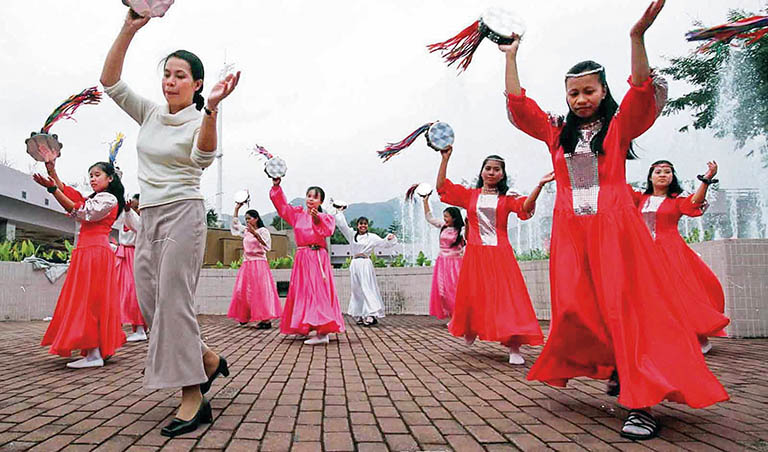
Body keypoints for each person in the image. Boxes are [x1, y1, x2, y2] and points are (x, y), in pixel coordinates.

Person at [503, 0, 728, 439]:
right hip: (571, 234)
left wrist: (636, 36)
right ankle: (618, 367)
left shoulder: (619, 126)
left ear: (604, 91)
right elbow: (519, 105)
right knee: (577, 310)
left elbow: (642, 91)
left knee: (626, 311)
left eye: (589, 91)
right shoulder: (556, 132)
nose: (581, 99)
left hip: (616, 232)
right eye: (574, 93)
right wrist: (511, 57)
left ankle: (641, 403)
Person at [101, 10, 240, 437]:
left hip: (183, 213)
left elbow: (202, 157)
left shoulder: (201, 118)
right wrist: (129, 28)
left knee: (174, 303)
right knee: (150, 304)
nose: (170, 82)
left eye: (180, 76)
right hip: (150, 217)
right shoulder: (149, 113)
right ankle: (208, 359)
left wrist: (212, 109)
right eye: (166, 74)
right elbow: (109, 82)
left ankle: (193, 395)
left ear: (197, 84)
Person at [436, 147, 549, 364]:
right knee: (473, 295)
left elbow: (525, 207)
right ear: (481, 172)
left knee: (508, 298)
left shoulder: (507, 198)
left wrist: (539, 186)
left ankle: (514, 346)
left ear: (502, 174)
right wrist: (445, 159)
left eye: (496, 169)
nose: (491, 172)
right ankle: (470, 328)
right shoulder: (470, 195)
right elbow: (442, 188)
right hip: (475, 254)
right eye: (488, 168)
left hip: (500, 253)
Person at [629, 160, 729, 353]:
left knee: (678, 292)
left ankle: (696, 336)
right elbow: (617, 189)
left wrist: (706, 180)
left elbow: (694, 203)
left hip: (671, 250)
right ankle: (657, 337)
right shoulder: (640, 198)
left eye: (667, 172)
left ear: (672, 177)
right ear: (650, 177)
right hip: (644, 251)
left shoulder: (676, 200)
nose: (662, 175)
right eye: (658, 172)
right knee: (647, 294)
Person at [35, 160, 126, 368]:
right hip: (89, 251)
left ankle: (94, 354)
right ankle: (96, 350)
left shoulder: (108, 199)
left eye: (97, 175)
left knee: (89, 300)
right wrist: (51, 170)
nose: (92, 179)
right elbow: (71, 195)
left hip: (94, 252)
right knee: (90, 299)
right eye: (91, 175)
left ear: (110, 178)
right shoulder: (98, 198)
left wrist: (53, 190)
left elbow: (82, 210)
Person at [270, 177, 345, 344]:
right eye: (309, 195)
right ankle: (304, 326)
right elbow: (282, 207)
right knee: (302, 292)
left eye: (315, 197)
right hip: (302, 257)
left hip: (316, 256)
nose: (310, 199)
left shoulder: (325, 217)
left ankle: (323, 332)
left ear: (321, 201)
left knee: (317, 292)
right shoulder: (297, 215)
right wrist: (276, 187)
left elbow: (327, 231)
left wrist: (317, 219)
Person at [334, 209, 398, 326]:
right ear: (357, 225)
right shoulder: (352, 235)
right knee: (356, 289)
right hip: (355, 264)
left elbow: (384, 243)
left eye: (365, 224)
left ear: (367, 225)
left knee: (367, 287)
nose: (363, 226)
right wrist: (339, 212)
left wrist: (389, 238)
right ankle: (358, 314)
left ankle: (370, 314)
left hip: (365, 263)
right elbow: (343, 226)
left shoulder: (372, 237)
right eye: (361, 224)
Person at [228, 201, 282, 329]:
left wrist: (255, 234)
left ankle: (265, 320)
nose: (247, 221)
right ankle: (244, 316)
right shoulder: (246, 231)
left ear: (256, 218)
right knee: (242, 291)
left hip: (259, 263)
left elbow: (267, 246)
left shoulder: (263, 231)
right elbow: (235, 226)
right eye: (246, 219)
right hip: (247, 263)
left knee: (260, 291)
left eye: (249, 218)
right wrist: (237, 208)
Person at [422, 195, 464, 320]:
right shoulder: (443, 226)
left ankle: (459, 316)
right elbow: (429, 218)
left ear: (454, 218)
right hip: (442, 262)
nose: (444, 219)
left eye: (446, 216)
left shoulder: (462, 230)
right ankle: (452, 315)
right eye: (444, 216)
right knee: (443, 291)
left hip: (455, 263)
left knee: (455, 289)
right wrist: (425, 201)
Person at [116, 193, 146, 342]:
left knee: (134, 292)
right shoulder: (125, 217)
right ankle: (119, 326)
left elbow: (135, 224)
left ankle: (140, 328)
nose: (133, 209)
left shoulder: (142, 222)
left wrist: (128, 211)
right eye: (132, 206)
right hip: (122, 255)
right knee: (120, 291)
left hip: (133, 255)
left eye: (136, 207)